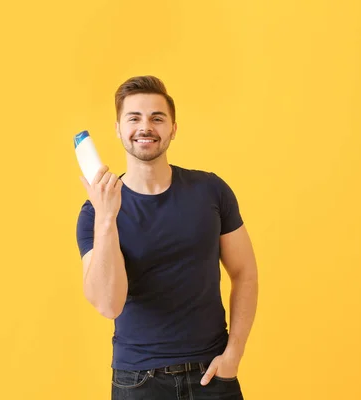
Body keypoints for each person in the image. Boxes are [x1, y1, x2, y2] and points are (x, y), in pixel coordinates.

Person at [76, 75, 258, 400]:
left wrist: (234, 354)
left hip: (212, 375)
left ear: (173, 128)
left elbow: (244, 271)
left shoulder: (211, 191)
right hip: (138, 382)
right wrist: (107, 217)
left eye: (157, 118)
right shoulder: (94, 213)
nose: (145, 127)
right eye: (134, 118)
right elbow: (108, 303)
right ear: (118, 129)